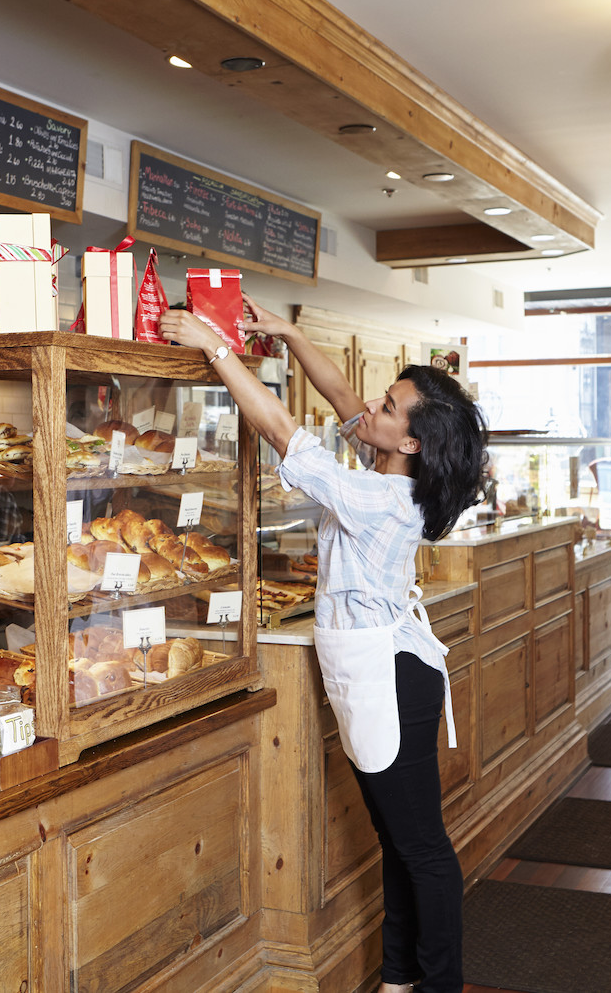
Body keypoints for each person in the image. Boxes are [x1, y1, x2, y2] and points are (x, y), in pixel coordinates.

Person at [161, 297, 488, 993]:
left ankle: (439, 984)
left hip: (392, 681)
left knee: (421, 848)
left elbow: (282, 428)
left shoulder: (377, 500)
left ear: (412, 443)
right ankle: (400, 979)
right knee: (400, 844)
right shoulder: (388, 474)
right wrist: (292, 336)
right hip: (392, 673)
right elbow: (342, 397)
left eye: (390, 406)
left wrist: (212, 345)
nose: (371, 405)